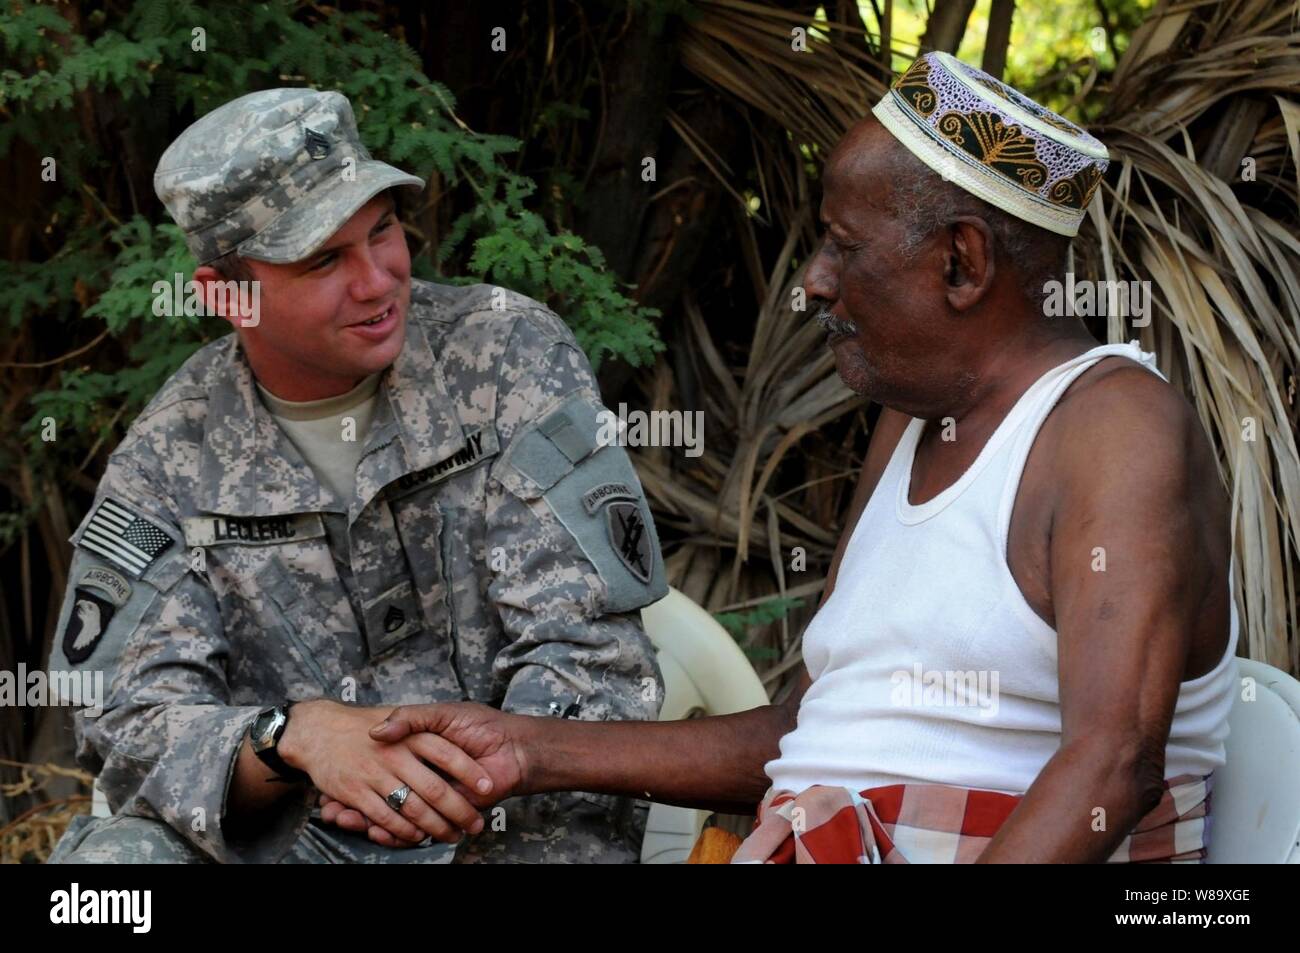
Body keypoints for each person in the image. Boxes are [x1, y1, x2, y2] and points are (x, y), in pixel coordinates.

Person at [356, 53, 1238, 864]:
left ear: (962, 263)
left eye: (843, 245)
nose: (814, 279)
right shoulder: (912, 424)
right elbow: (817, 730)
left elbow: (1114, 762)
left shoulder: (1115, 428)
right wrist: (525, 748)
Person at [46, 87, 667, 864]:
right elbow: (127, 717)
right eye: (324, 260)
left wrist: (433, 789)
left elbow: (592, 653)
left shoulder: (508, 358)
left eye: (383, 230)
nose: (378, 281)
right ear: (226, 295)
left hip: (510, 830)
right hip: (295, 843)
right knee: (106, 875)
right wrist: (290, 734)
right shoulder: (168, 457)